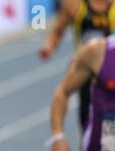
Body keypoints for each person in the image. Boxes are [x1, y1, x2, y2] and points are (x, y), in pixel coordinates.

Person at [39, 0, 115, 130]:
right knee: (87, 121)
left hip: (110, 70)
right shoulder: (74, 4)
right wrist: (49, 45)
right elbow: (58, 29)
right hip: (85, 70)